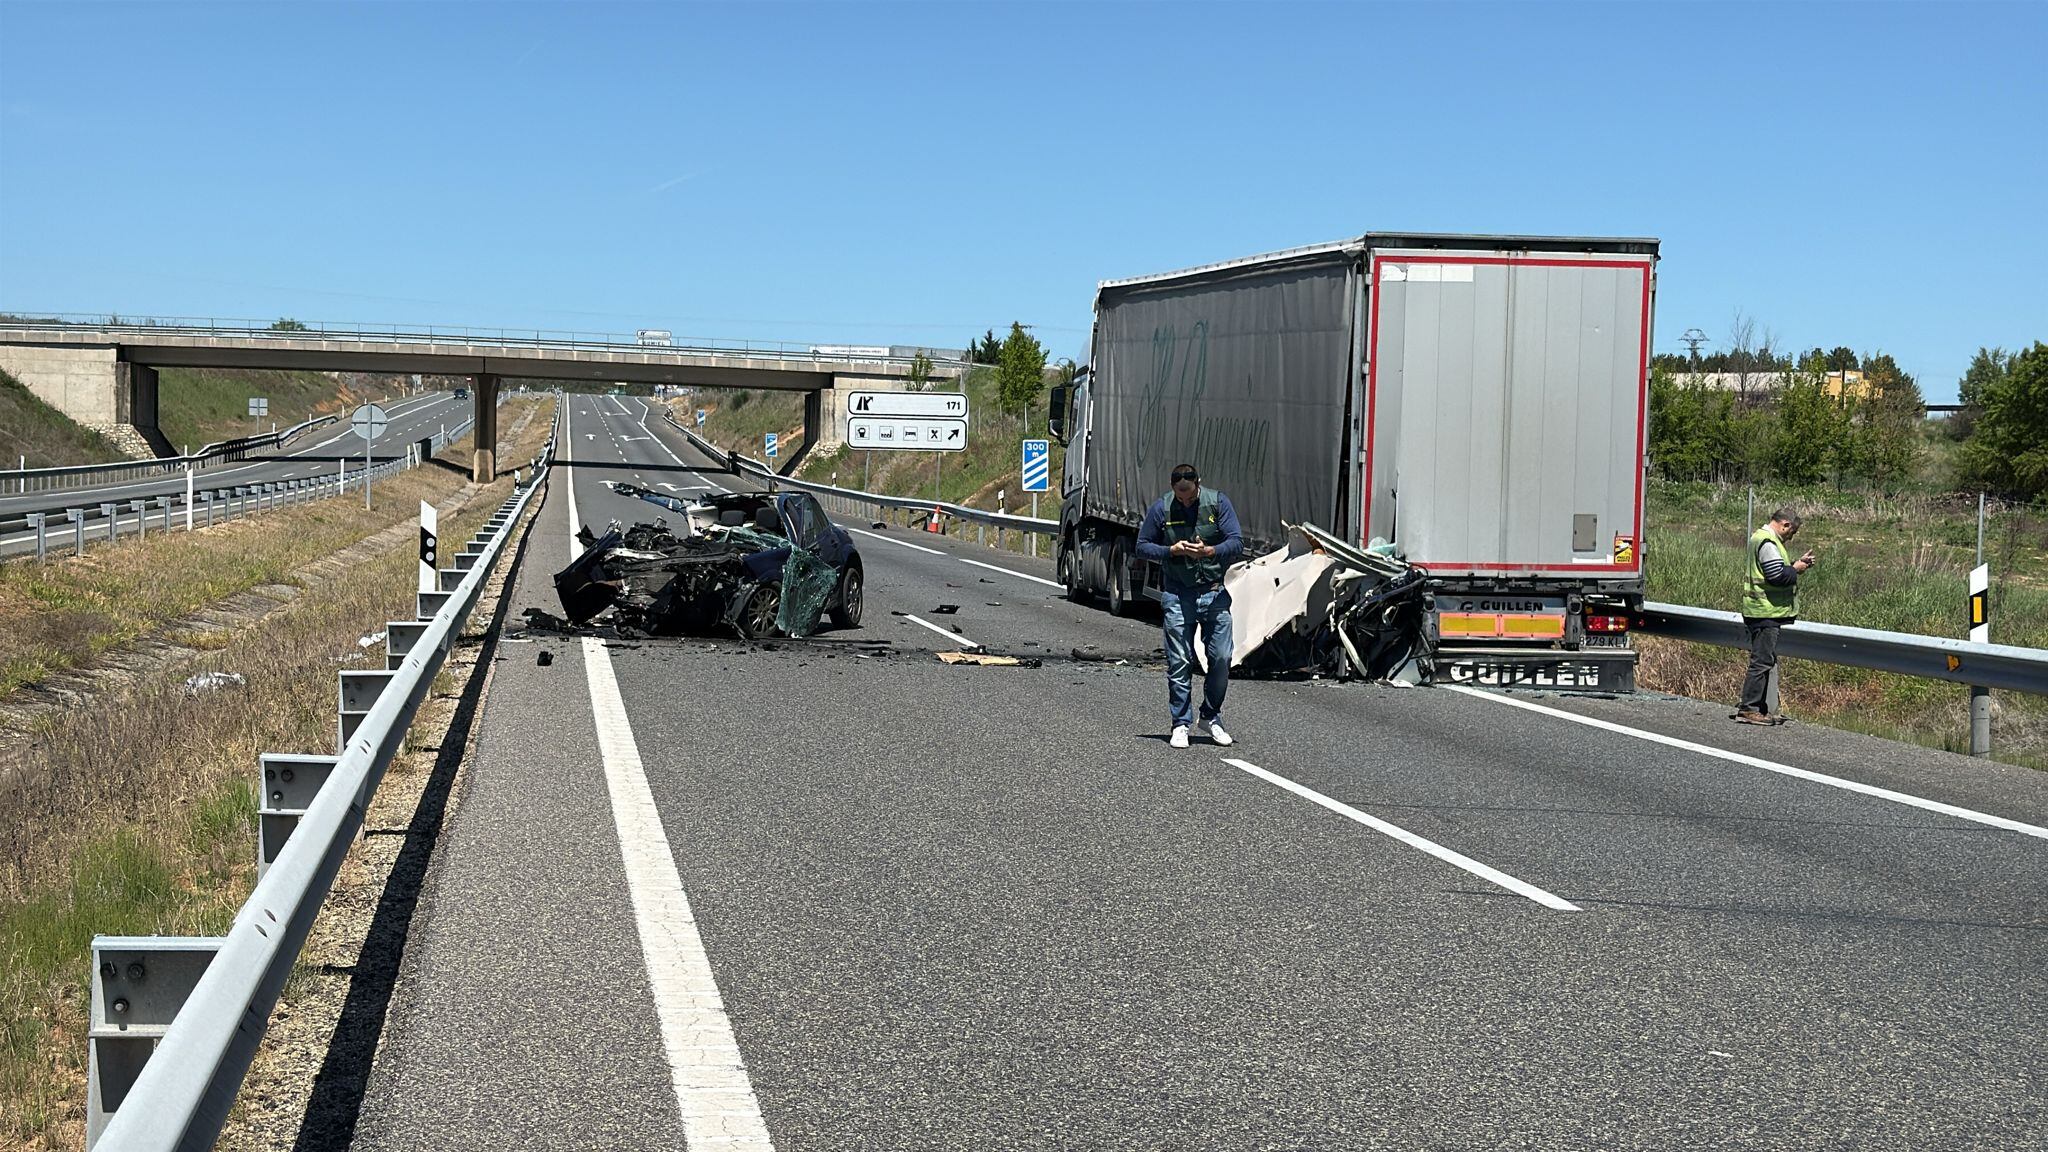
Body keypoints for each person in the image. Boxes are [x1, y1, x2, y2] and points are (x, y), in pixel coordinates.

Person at [1136, 463, 1244, 748]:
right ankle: (1180, 723)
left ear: (1199, 484)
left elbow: (1236, 542)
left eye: (1190, 496)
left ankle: (1210, 715)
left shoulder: (1218, 503)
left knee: (1221, 657)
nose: (1185, 501)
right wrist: (1171, 551)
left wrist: (1211, 550)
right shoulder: (1162, 508)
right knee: (1180, 661)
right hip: (1177, 593)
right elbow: (1142, 546)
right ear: (1173, 489)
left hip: (1213, 591)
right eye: (1180, 497)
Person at [1735, 508, 1817, 725]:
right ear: (1785, 525)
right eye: (1792, 532)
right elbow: (1776, 576)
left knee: (1764, 660)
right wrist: (1796, 569)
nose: (1791, 537)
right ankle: (1749, 708)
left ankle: (1758, 707)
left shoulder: (1760, 538)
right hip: (1764, 611)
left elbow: (1774, 571)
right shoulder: (1768, 542)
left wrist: (1794, 565)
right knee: (1761, 661)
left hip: (1761, 610)